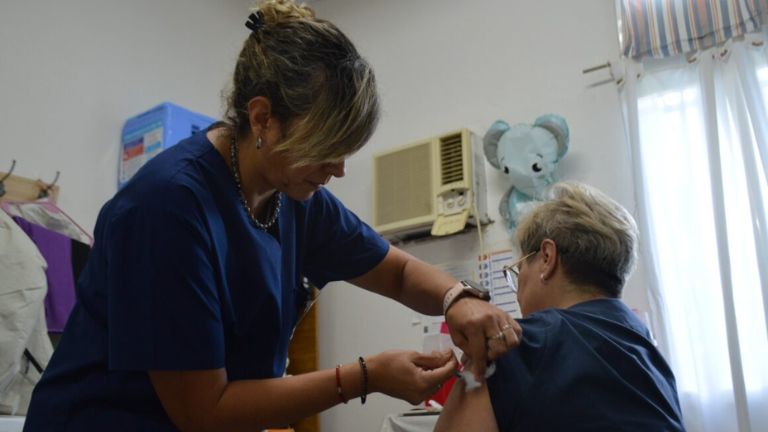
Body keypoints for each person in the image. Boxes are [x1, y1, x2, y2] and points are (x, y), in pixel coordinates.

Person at [23, 1, 520, 430]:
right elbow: (203, 411)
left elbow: (397, 271)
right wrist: (368, 376)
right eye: (326, 149)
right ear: (263, 119)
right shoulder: (167, 209)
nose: (339, 170)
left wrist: (458, 298)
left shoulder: (295, 196)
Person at [435, 181, 685, 432]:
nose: (518, 292)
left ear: (546, 257)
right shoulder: (651, 356)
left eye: (519, 270)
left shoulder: (513, 344)